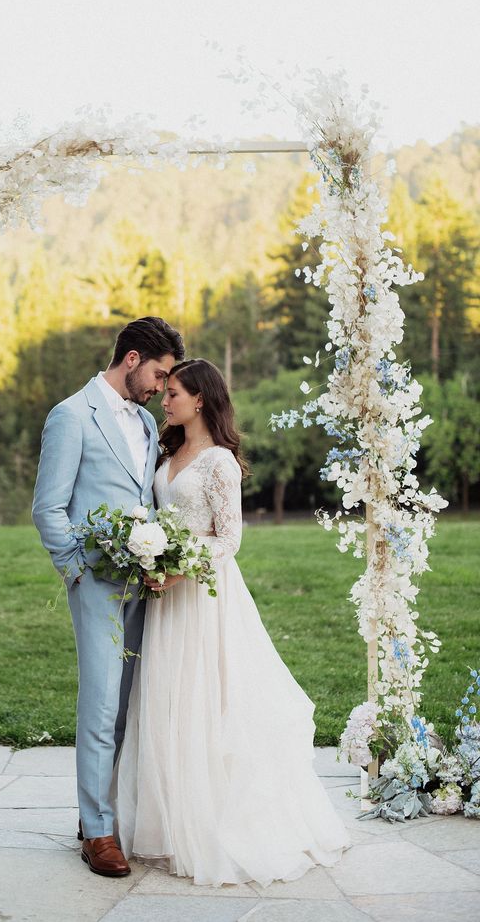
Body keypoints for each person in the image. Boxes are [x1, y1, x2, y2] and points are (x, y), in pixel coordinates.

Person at [114, 358, 350, 887]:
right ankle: (166, 818)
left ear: (200, 400)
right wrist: (151, 558)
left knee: (205, 699)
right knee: (164, 698)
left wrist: (178, 570)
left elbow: (229, 539)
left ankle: (214, 819)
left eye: (173, 393)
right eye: (165, 391)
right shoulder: (168, 451)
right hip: (164, 595)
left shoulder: (218, 463)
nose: (165, 400)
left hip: (201, 596)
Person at [32, 316, 185, 877]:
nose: (161, 386)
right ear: (131, 359)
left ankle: (100, 811)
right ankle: (97, 832)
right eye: (159, 373)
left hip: (143, 584)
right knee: (99, 703)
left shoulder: (146, 423)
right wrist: (76, 572)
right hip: (95, 582)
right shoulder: (71, 415)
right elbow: (48, 507)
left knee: (125, 705)